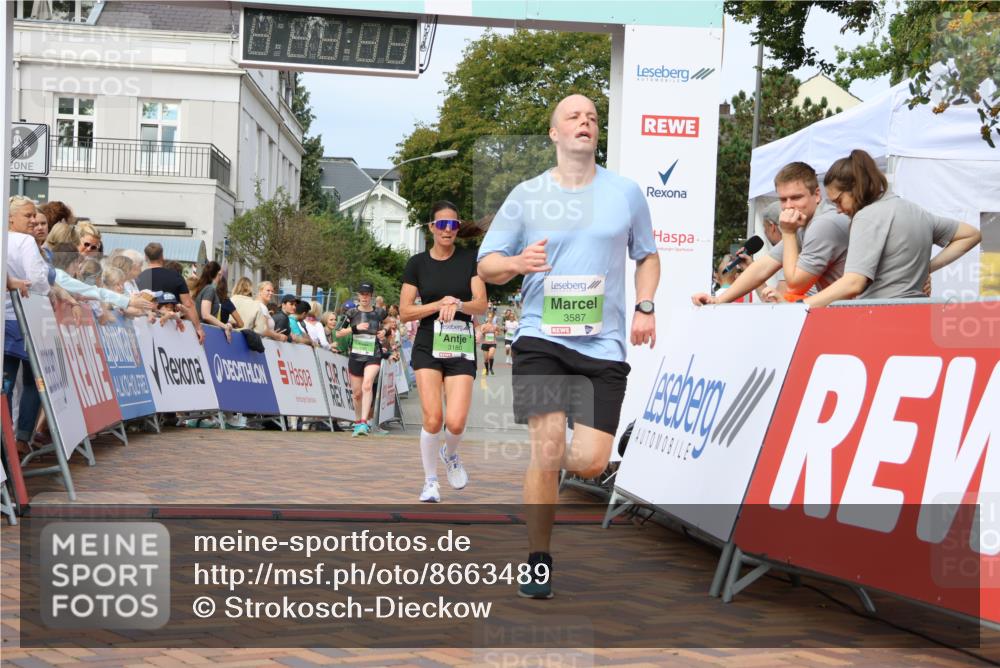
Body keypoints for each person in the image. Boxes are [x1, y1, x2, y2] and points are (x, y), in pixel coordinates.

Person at [477, 94, 659, 598]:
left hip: (603, 345)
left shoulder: (625, 193)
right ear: (554, 133)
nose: (586, 122)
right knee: (548, 446)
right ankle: (537, 561)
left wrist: (645, 305)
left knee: (591, 463)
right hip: (541, 338)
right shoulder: (528, 195)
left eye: (593, 117)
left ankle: (557, 465)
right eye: (574, 116)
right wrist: (516, 264)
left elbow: (647, 256)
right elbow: (487, 264)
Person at [805, 149, 982, 307]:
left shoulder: (866, 216)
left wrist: (802, 305)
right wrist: (927, 268)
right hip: (919, 312)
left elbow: (853, 283)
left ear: (855, 188)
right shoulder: (916, 211)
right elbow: (971, 234)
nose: (838, 209)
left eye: (838, 201)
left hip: (881, 317)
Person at [400, 200, 488, 501]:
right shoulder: (417, 264)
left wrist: (459, 304)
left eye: (453, 225)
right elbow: (405, 311)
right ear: (432, 228)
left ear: (458, 227)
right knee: (433, 419)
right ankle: (430, 481)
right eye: (442, 224)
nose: (448, 230)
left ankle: (450, 454)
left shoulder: (470, 260)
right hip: (427, 343)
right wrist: (438, 305)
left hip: (460, 343)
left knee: (456, 422)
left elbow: (481, 304)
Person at [691, 162, 850, 306]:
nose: (789, 206)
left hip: (862, 311)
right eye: (783, 199)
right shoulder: (805, 224)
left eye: (796, 197)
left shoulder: (823, 223)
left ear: (816, 195)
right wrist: (718, 299)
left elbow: (795, 284)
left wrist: (787, 232)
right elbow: (763, 267)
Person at [4, 197, 53, 454]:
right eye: (28, 215)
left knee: (7, 382)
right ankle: (21, 438)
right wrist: (46, 289)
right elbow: (38, 280)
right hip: (25, 318)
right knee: (33, 380)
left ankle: (7, 440)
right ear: (10, 218)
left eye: (34, 215)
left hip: (7, 319)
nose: (33, 220)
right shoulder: (24, 241)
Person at [337, 282, 388, 437]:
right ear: (358, 296)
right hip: (356, 355)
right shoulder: (351, 312)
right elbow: (338, 332)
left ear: (371, 296)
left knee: (367, 386)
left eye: (367, 294)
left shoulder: (379, 312)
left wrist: (384, 331)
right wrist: (355, 329)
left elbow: (389, 324)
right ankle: (358, 421)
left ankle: (364, 423)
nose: (364, 297)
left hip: (373, 353)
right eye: (362, 294)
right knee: (357, 394)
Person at [136, 242, 205, 344]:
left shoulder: (139, 278)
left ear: (146, 257)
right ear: (162, 256)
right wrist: (198, 328)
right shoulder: (175, 276)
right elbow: (188, 304)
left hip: (146, 328)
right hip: (173, 331)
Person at [189, 261, 235, 341]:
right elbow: (205, 315)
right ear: (214, 275)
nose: (220, 278)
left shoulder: (201, 288)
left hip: (198, 330)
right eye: (219, 274)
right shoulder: (210, 289)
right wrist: (225, 326)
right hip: (203, 332)